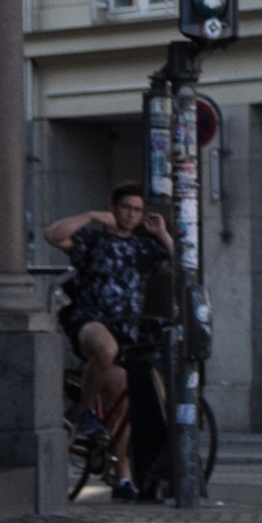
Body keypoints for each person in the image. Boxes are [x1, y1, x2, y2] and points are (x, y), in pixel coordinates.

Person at [44, 184, 174, 501]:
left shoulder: (144, 248)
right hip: (88, 320)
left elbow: (182, 270)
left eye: (136, 209)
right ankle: (85, 413)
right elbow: (53, 235)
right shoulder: (94, 238)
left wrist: (164, 235)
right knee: (105, 349)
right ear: (113, 207)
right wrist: (90, 216)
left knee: (124, 405)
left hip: (127, 331)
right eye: (125, 207)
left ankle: (123, 478)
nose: (130, 214)